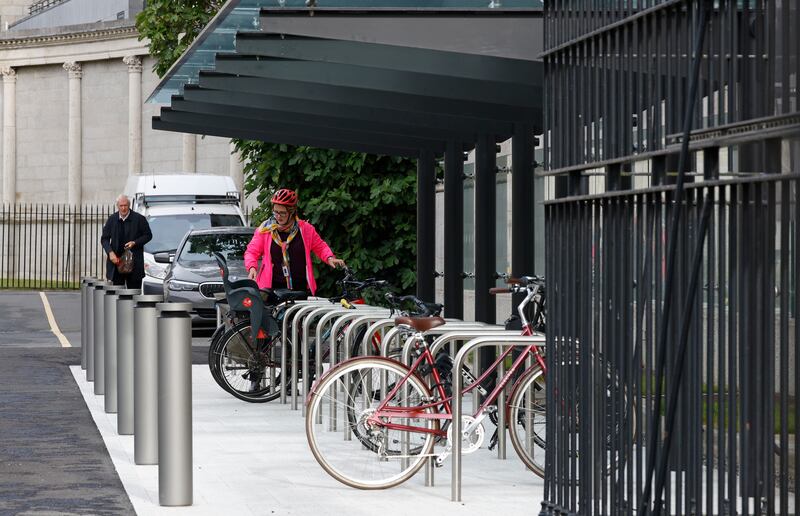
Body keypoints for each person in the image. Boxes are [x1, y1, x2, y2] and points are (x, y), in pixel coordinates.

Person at [245, 188, 344, 295]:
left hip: (300, 289)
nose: (278, 216)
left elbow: (321, 247)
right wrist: (251, 267)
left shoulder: (305, 229)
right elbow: (251, 252)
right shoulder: (265, 229)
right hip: (272, 289)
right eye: (275, 212)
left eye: (282, 213)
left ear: (292, 212)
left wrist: (329, 257)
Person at [101, 194, 152, 289]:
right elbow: (104, 239)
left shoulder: (139, 219)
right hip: (116, 263)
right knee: (116, 295)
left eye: (125, 205)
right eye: (121, 206)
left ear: (129, 206)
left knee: (133, 294)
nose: (123, 208)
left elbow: (148, 235)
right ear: (117, 206)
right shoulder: (112, 219)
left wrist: (135, 242)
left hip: (135, 264)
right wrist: (110, 253)